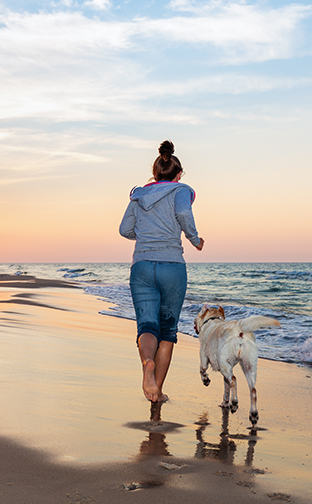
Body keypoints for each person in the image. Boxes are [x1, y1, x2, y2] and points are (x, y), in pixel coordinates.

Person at [119, 140, 204, 403]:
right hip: (172, 266)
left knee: (147, 325)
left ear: (155, 174)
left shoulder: (139, 194)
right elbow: (182, 212)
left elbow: (124, 230)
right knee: (167, 331)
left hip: (142, 266)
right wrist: (194, 238)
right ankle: (157, 391)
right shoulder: (181, 190)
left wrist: (145, 236)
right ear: (178, 174)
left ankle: (147, 363)